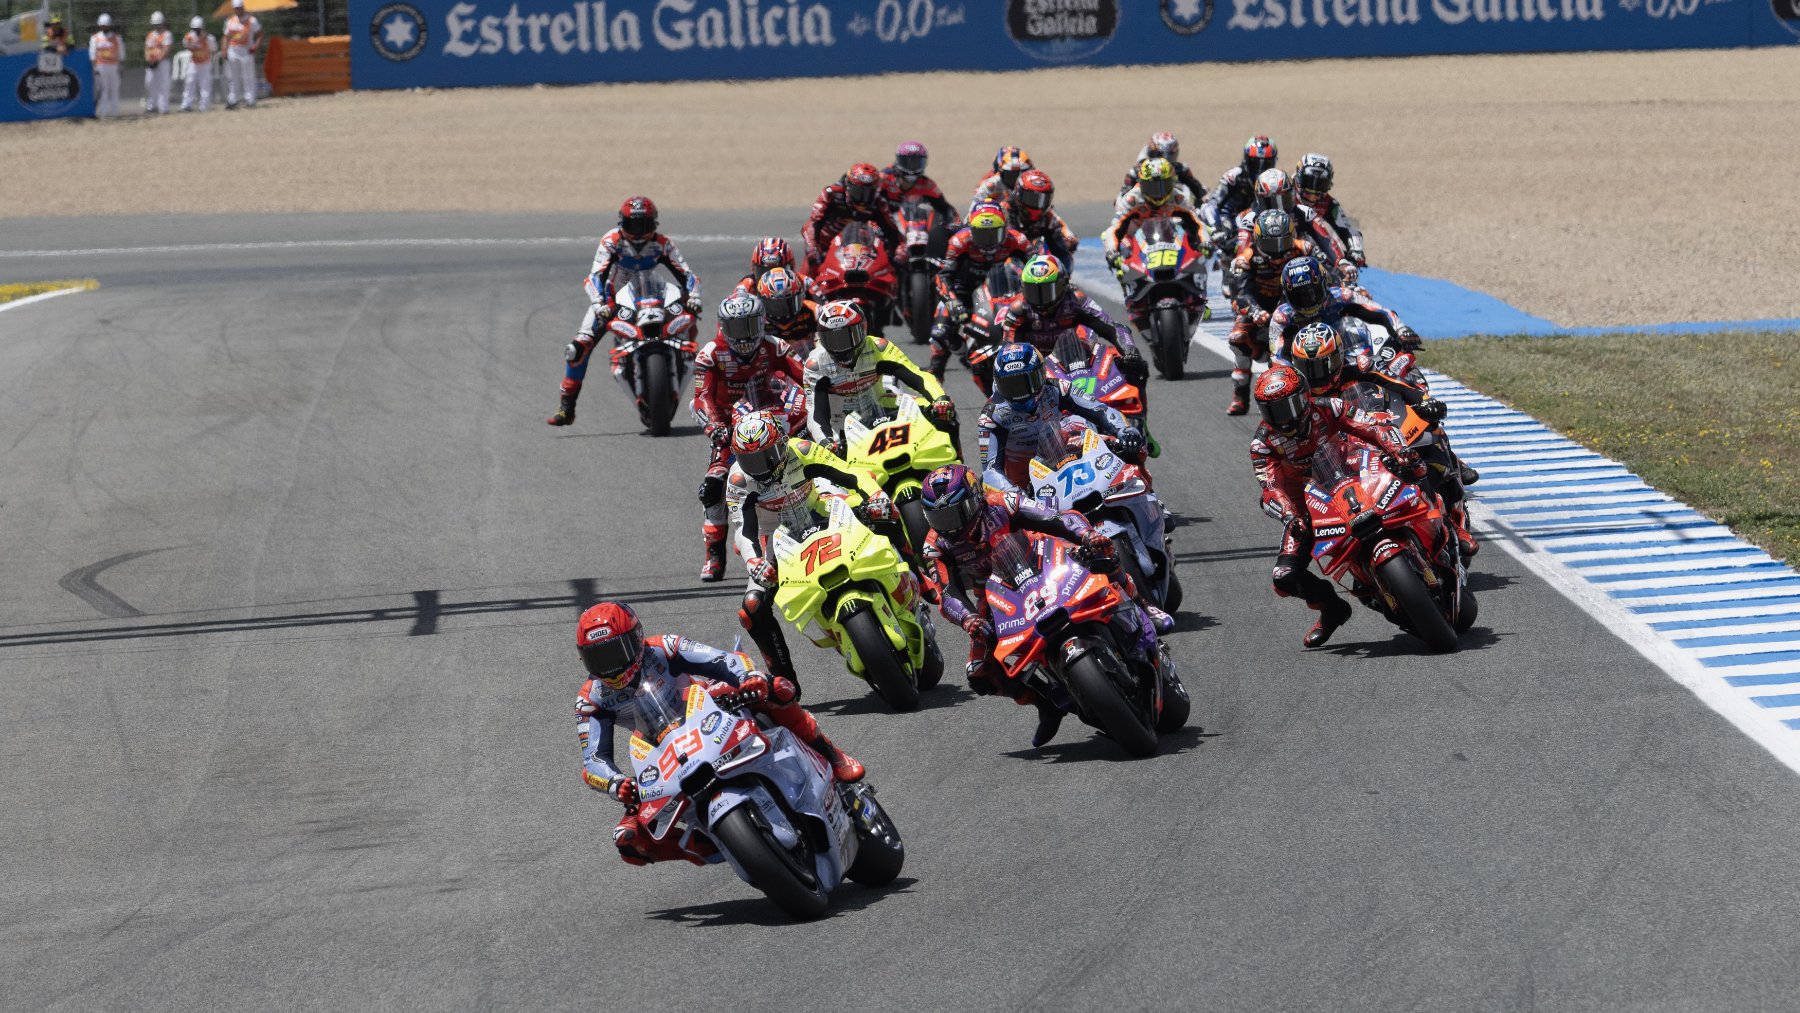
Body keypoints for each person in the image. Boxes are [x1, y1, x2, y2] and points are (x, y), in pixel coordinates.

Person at [572, 601, 864, 866]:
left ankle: (830, 753)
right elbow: (593, 761)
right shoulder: (591, 699)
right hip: (662, 748)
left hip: (706, 706)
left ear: (636, 638)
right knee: (629, 840)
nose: (608, 667)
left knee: (775, 690)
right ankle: (707, 843)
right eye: (596, 659)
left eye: (614, 652)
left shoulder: (663, 647)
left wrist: (747, 679)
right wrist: (614, 783)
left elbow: (723, 660)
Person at [919, 464, 1156, 746]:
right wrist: (969, 618)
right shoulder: (936, 546)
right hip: (997, 595)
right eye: (940, 517)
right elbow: (947, 592)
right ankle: (1047, 704)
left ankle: (1143, 606)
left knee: (1102, 553)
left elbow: (1055, 518)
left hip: (1046, 558)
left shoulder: (1003, 503)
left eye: (954, 514)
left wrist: (1086, 536)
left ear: (975, 499)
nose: (950, 525)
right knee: (980, 672)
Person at [1249, 365, 1423, 648]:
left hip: (1355, 475)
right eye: (1273, 410)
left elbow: (1371, 425)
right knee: (1284, 577)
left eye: (1287, 406)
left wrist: (1397, 450)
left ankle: (1448, 528)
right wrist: (1289, 513)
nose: (1282, 416)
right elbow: (1270, 488)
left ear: (1304, 397)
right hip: (1307, 508)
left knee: (1414, 468)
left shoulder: (1329, 407)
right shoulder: (1262, 444)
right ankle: (1333, 608)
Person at [725, 412, 896, 685]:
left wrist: (875, 496)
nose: (759, 468)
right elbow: (744, 530)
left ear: (781, 443)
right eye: (749, 460)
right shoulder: (738, 481)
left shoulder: (802, 450)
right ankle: (784, 684)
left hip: (819, 508)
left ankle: (916, 579)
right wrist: (754, 563)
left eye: (765, 456)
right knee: (752, 608)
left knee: (881, 513)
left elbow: (850, 474)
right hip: (775, 536)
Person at [1288, 322, 1478, 556]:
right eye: (1306, 367)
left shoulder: (1359, 368)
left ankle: (1451, 524)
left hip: (1378, 434)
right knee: (1315, 510)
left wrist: (1422, 400)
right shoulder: (1296, 394)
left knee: (1429, 452)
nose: (1314, 376)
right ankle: (1359, 559)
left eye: (1320, 366)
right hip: (1339, 454)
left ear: (1337, 358)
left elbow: (1395, 382)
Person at [548, 197, 702, 427]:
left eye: (644, 225)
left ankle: (685, 369)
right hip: (614, 301)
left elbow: (687, 274)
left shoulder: (662, 244)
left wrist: (694, 296)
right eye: (633, 225)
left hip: (652, 296)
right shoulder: (612, 241)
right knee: (577, 348)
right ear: (622, 223)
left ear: (654, 224)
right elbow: (595, 276)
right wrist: (599, 303)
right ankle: (566, 406)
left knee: (687, 320)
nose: (639, 232)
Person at [693, 293, 808, 582]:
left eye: (749, 326)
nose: (743, 336)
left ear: (761, 323)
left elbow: (806, 377)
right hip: (730, 429)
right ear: (723, 327)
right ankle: (714, 554)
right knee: (711, 488)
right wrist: (714, 427)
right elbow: (700, 398)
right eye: (736, 328)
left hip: (773, 419)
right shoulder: (710, 353)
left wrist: (808, 403)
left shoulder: (775, 346)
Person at [978, 343, 1143, 495]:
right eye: (1010, 385)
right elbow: (990, 471)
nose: (1019, 393)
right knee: (1011, 513)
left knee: (1126, 446)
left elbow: (1100, 410)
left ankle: (1146, 495)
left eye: (1025, 382)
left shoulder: (1058, 388)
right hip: (1023, 471)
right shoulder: (991, 416)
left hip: (1061, 450)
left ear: (1041, 374)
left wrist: (1123, 430)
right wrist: (1014, 492)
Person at [803, 299, 958, 452]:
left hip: (878, 409)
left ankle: (958, 471)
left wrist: (940, 399)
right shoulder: (815, 364)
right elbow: (816, 413)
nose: (840, 347)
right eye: (833, 340)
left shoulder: (879, 347)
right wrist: (827, 443)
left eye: (847, 337)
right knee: (824, 475)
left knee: (946, 414)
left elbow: (917, 375)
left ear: (863, 329)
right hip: (839, 428)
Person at [1223, 209, 1322, 415]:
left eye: (1282, 242)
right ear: (1258, 239)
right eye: (1270, 243)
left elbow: (1327, 272)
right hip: (1260, 308)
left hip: (1297, 304)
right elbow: (1239, 292)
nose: (1277, 252)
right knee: (1237, 337)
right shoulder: (1246, 258)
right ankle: (1240, 393)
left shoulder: (1305, 249)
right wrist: (1255, 311)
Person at [1002, 254, 1147, 386]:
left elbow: (1113, 327)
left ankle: (1133, 412)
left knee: (1134, 366)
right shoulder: (1018, 309)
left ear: (1063, 284)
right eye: (1033, 291)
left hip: (1076, 363)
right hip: (1037, 369)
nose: (1041, 300)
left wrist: (1130, 352)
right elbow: (1009, 350)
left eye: (1047, 291)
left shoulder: (1076, 300)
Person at [929, 202, 1034, 379]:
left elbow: (1036, 269)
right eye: (982, 234)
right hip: (965, 290)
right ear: (971, 230)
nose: (988, 241)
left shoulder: (1018, 241)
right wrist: (952, 300)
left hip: (1005, 291)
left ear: (1005, 229)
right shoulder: (959, 241)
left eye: (994, 233)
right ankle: (937, 368)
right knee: (940, 333)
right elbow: (942, 276)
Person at [1270, 256, 1417, 363]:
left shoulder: (1341, 296)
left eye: (1311, 293)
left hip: (1349, 358)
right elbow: (1277, 356)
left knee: (1353, 323)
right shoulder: (1282, 316)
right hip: (1310, 372)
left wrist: (1401, 330)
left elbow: (1381, 312)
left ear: (1323, 284)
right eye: (1299, 297)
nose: (1307, 302)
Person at [802, 163, 907, 273]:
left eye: (868, 192)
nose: (862, 198)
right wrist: (812, 248)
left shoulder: (879, 203)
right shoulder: (831, 194)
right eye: (858, 192)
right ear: (848, 186)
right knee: (808, 273)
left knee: (894, 270)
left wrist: (899, 256)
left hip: (861, 249)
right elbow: (812, 223)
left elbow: (894, 234)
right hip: (825, 246)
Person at [1201, 135, 1279, 246]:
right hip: (1228, 223)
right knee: (1205, 208)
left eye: (1266, 164)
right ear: (1246, 160)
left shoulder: (1276, 182)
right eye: (1255, 164)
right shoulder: (1233, 176)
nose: (1260, 170)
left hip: (1258, 222)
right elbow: (1211, 205)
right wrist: (1216, 229)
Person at [1295, 153, 1368, 268]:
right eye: (1309, 181)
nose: (1313, 189)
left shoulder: (1328, 203)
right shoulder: (1286, 191)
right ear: (1298, 177)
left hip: (1311, 246)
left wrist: (1356, 251)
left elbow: (1347, 227)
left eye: (1320, 183)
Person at [1007, 169, 1079, 270]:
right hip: (1012, 255)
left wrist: (1070, 239)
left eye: (1042, 200)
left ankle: (1062, 279)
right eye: (1031, 199)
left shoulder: (1047, 216)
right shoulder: (1005, 210)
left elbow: (1063, 230)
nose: (1038, 205)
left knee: (1061, 250)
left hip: (1035, 258)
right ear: (1019, 195)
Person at [880, 141, 958, 221]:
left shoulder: (927, 185)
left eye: (916, 163)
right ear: (898, 161)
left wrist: (955, 224)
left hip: (914, 227)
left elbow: (946, 208)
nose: (911, 168)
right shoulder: (884, 178)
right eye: (906, 162)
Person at [1118, 132, 1207, 200]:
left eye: (1170, 155)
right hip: (1145, 212)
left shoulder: (1181, 169)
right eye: (1163, 155)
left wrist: (1204, 198)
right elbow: (1122, 197)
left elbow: (1199, 190)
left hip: (1175, 210)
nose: (1167, 159)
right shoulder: (1136, 172)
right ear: (1152, 152)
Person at [755, 267, 818, 357]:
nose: (782, 310)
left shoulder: (813, 310)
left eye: (789, 302)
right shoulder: (758, 320)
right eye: (775, 305)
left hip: (809, 362)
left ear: (801, 296)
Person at [968, 146, 1033, 216]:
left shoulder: (1033, 184)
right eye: (1010, 176)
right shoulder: (990, 185)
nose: (1016, 181)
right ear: (1001, 172)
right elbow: (972, 213)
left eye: (1021, 175)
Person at [221, 0, 260, 110]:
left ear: (243, 7)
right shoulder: (230, 21)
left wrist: (255, 47)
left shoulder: (252, 20)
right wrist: (224, 50)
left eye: (239, 7)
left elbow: (260, 34)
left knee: (248, 76)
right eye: (236, 8)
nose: (238, 10)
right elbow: (226, 37)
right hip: (233, 51)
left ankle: (250, 99)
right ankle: (233, 99)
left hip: (246, 51)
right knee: (233, 77)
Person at [87, 14, 122, 119]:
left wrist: (121, 66)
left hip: (114, 66)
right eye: (102, 25)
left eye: (106, 25)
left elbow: (121, 53)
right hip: (100, 66)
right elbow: (92, 54)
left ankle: (115, 112)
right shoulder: (95, 38)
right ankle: (104, 113)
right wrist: (94, 68)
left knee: (114, 89)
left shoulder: (117, 38)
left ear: (110, 25)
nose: (104, 27)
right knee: (102, 90)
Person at [180, 16, 214, 113]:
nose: (197, 31)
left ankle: (204, 106)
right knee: (189, 82)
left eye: (198, 29)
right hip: (193, 63)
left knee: (205, 85)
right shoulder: (189, 37)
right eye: (195, 29)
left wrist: (203, 40)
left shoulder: (209, 38)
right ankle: (186, 105)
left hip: (205, 63)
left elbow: (213, 48)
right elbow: (185, 44)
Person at [141, 12, 172, 115]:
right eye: (155, 24)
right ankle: (151, 106)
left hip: (162, 63)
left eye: (158, 24)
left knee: (163, 84)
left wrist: (158, 60)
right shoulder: (150, 35)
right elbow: (147, 48)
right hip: (151, 63)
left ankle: (164, 108)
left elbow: (166, 49)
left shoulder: (167, 34)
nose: (157, 26)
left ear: (162, 23)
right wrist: (148, 60)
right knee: (149, 83)